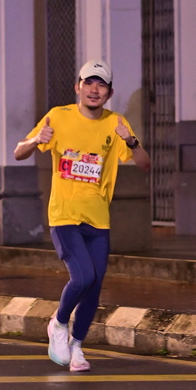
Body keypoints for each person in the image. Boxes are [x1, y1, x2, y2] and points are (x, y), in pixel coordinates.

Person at [14, 60, 151, 373]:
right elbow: (18, 153)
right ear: (78, 86)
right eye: (89, 83)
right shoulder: (58, 116)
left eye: (101, 85)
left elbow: (144, 164)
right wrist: (36, 139)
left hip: (98, 218)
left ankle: (76, 345)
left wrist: (130, 141)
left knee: (95, 285)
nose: (94, 90)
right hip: (64, 216)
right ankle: (59, 324)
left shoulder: (116, 122)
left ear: (109, 93)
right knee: (83, 277)